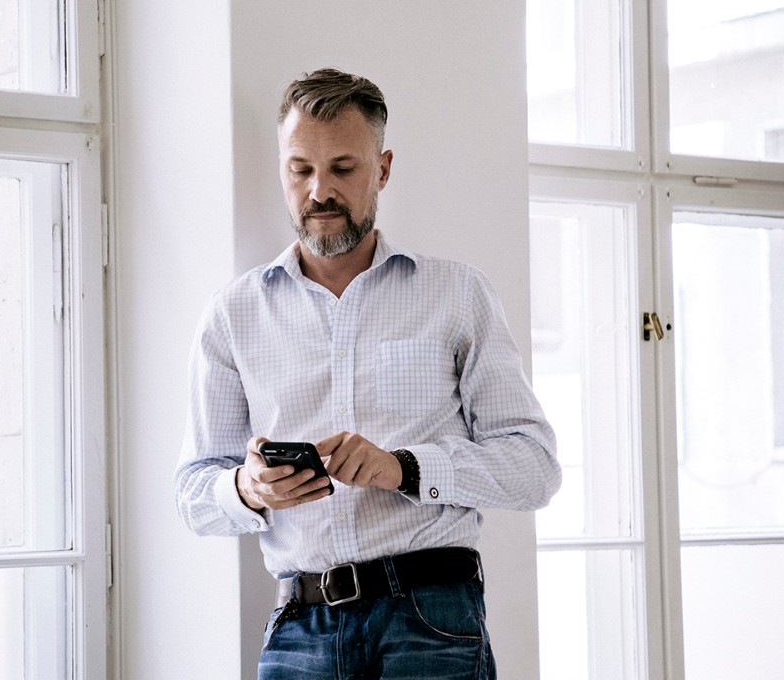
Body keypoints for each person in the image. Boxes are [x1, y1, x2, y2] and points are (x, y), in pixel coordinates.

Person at [174, 67, 561, 679]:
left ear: (382, 169)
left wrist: (402, 468)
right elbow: (193, 493)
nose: (319, 190)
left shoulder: (457, 295)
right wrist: (249, 489)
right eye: (300, 169)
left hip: (433, 620)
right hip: (300, 625)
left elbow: (535, 468)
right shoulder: (232, 315)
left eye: (343, 169)